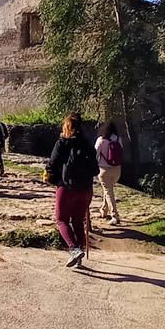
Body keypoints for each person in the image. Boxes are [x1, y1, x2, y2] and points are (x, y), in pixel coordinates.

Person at [45, 113, 99, 267]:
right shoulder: (88, 145)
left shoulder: (62, 143)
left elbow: (52, 164)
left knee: (61, 220)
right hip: (86, 189)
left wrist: (51, 178)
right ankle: (78, 257)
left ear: (67, 127)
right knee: (77, 220)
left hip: (67, 187)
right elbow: (95, 169)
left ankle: (74, 249)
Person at [94, 121, 123, 226]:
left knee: (108, 191)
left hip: (104, 170)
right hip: (117, 170)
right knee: (108, 190)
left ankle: (115, 216)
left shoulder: (101, 140)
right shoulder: (118, 139)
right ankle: (104, 210)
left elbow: (95, 154)